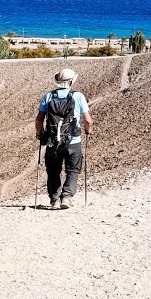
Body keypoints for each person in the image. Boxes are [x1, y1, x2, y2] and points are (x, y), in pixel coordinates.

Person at [36, 68, 93, 209]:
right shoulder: (78, 96)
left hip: (52, 142)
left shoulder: (48, 96)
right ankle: (66, 198)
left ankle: (55, 200)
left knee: (53, 171)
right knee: (73, 169)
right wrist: (88, 131)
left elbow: (39, 120)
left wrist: (40, 134)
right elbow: (88, 120)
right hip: (73, 140)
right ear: (71, 81)